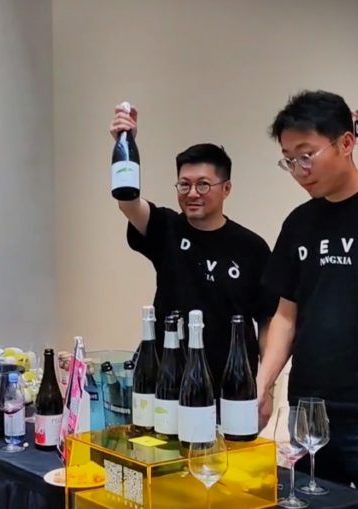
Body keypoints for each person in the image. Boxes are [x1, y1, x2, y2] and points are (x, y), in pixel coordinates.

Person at [257, 90, 358, 508]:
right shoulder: (299, 222)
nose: (299, 171)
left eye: (306, 155)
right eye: (288, 160)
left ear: (346, 143)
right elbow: (285, 317)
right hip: (310, 414)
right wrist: (261, 385)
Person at [109, 106, 277, 391]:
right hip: (167, 382)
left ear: (226, 189)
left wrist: (266, 386)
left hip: (231, 385)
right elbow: (128, 202)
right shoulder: (166, 228)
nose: (192, 194)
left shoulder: (252, 247)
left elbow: (267, 320)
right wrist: (125, 143)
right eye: (184, 185)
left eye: (203, 185)